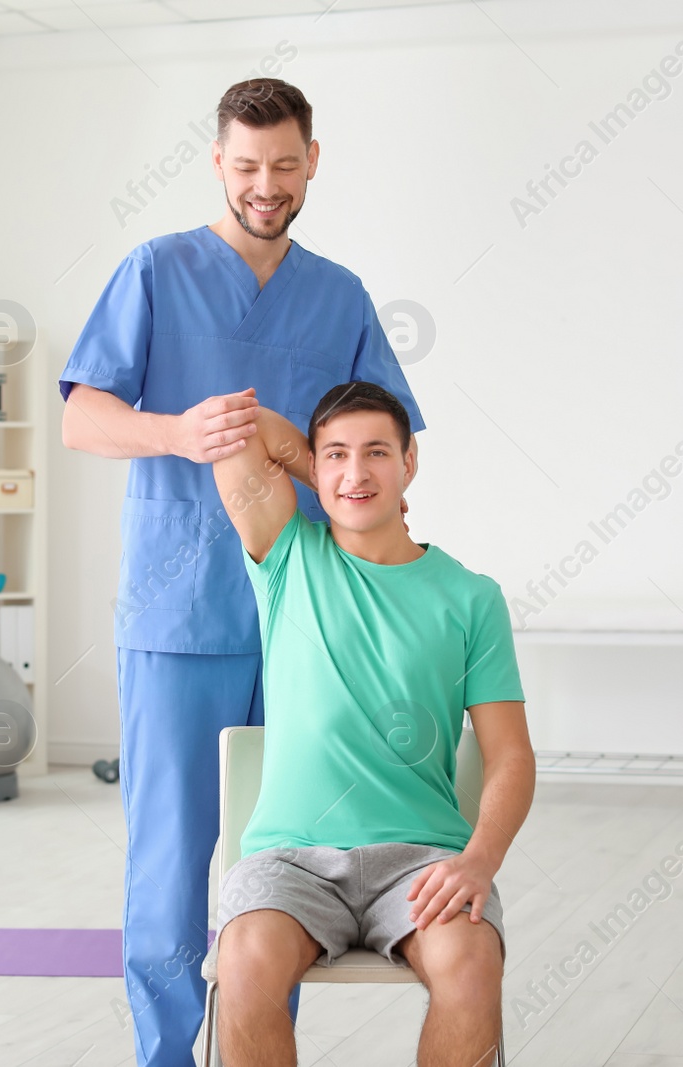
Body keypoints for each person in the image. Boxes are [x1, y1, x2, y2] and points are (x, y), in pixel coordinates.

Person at [58, 79, 425, 1066]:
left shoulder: (338, 295)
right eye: (247, 166)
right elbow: (79, 414)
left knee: (286, 863)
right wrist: (175, 431)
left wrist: (296, 457)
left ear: (312, 162)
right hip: (179, 616)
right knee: (172, 863)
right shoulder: (156, 271)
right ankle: (168, 1056)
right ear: (218, 162)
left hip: (304, 611)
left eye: (285, 166)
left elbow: (374, 447)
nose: (266, 186)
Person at [210, 381, 535, 1067]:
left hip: (422, 860)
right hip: (289, 858)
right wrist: (335, 480)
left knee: (472, 966)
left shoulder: (473, 598)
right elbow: (240, 432)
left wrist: (480, 860)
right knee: (242, 963)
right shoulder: (288, 556)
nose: (356, 471)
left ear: (410, 463)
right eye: (337, 454)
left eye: (377, 454)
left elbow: (510, 757)